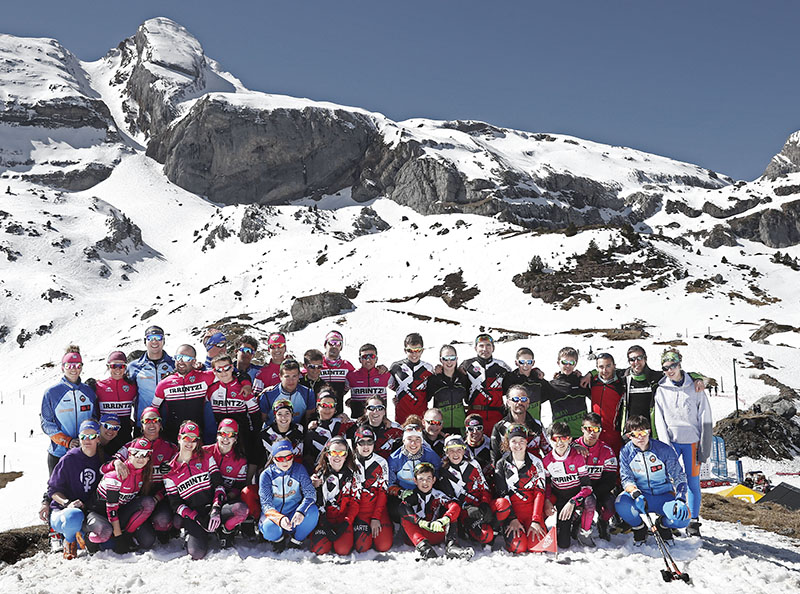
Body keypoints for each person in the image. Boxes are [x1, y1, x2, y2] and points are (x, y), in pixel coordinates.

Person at [654, 349, 712, 538]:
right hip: (672, 443)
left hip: (692, 443)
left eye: (673, 366)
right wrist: (665, 445)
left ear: (680, 364)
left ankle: (693, 522)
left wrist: (705, 446)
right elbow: (659, 420)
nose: (670, 370)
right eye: (665, 368)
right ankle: (670, 518)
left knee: (692, 482)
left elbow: (705, 416)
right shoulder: (662, 389)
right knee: (669, 482)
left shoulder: (695, 387)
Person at [105, 407, 178, 544]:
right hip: (137, 500)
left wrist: (172, 470)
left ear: (161, 424)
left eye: (156, 420)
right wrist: (116, 463)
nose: (151, 424)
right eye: (147, 421)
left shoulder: (171, 448)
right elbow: (105, 467)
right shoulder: (131, 446)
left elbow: (180, 477)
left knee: (162, 521)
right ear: (141, 425)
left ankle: (163, 530)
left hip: (160, 498)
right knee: (147, 542)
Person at [615, 415, 690, 546]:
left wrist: (681, 498)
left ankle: (663, 525)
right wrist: (635, 493)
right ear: (629, 436)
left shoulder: (663, 449)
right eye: (635, 434)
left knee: (683, 518)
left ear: (649, 431)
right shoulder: (626, 452)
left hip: (663, 495)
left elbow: (679, 476)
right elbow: (626, 477)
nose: (640, 437)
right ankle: (639, 529)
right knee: (621, 503)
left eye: (643, 432)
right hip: (641, 496)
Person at [163, 421, 228, 560]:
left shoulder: (206, 456)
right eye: (187, 438)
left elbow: (219, 485)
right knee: (196, 553)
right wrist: (197, 518)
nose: (190, 443)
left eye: (194, 439)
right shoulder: (169, 471)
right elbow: (176, 505)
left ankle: (225, 532)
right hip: (194, 515)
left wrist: (216, 508)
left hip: (213, 508)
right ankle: (192, 534)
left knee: (239, 509)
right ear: (179, 438)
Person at [619, 345, 705, 439]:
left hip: (652, 431)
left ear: (645, 358)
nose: (636, 362)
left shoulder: (656, 377)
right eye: (632, 359)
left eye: (639, 358)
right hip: (632, 432)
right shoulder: (623, 378)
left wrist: (697, 378)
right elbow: (604, 373)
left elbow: (679, 375)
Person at [47, 419, 103, 560]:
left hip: (88, 512)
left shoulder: (103, 460)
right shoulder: (69, 459)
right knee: (74, 515)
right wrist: (67, 503)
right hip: (63, 513)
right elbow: (53, 490)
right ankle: (69, 540)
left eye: (92, 436)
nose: (87, 440)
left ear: (98, 438)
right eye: (83, 436)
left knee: (107, 543)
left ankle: (81, 536)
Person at [91, 437, 156, 554]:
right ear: (129, 454)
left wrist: (125, 536)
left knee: (148, 540)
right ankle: (87, 535)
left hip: (119, 513)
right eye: (136, 453)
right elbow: (111, 509)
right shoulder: (116, 475)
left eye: (145, 454)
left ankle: (126, 534)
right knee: (104, 535)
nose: (140, 458)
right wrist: (119, 538)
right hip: (100, 513)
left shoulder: (144, 473)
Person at [41, 346, 98, 474]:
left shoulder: (88, 391)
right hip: (59, 453)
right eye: (69, 365)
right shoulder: (51, 393)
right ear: (63, 367)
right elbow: (47, 424)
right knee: (57, 492)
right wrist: (68, 442)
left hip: (85, 451)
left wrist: (89, 440)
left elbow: (95, 418)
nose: (74, 369)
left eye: (78, 365)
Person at [492, 424, 547, 554]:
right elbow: (502, 493)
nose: (518, 445)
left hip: (531, 512)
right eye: (514, 441)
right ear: (508, 443)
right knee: (519, 548)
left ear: (526, 441)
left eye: (521, 441)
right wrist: (512, 519)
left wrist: (536, 520)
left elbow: (540, 492)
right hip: (513, 513)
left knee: (538, 547)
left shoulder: (536, 462)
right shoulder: (501, 464)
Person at [258, 438, 319, 550]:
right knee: (269, 529)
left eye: (289, 457)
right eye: (280, 458)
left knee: (313, 511)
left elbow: (310, 494)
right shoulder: (266, 475)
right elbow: (266, 504)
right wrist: (279, 519)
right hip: (275, 516)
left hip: (294, 515)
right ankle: (278, 540)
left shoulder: (299, 469)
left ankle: (296, 540)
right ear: (273, 458)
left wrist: (301, 511)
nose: (285, 462)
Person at [542, 422, 596, 548]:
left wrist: (573, 501)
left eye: (564, 438)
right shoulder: (547, 461)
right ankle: (574, 518)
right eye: (555, 438)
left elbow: (587, 487)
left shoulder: (577, 457)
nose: (560, 442)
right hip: (561, 498)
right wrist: (547, 500)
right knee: (563, 544)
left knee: (590, 502)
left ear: (570, 439)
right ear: (550, 440)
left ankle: (584, 530)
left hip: (577, 495)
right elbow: (548, 485)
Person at [206, 354, 261, 478]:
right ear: (214, 372)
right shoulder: (211, 389)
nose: (223, 372)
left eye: (226, 368)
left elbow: (255, 413)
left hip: (242, 431)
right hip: (222, 432)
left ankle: (246, 482)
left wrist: (255, 433)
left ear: (232, 368)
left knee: (247, 454)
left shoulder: (242, 388)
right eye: (219, 369)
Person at [399, 463, 464, 560]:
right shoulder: (411, 495)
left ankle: (452, 546)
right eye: (421, 479)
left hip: (436, 532)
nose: (425, 482)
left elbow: (455, 506)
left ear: (433, 480)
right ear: (415, 481)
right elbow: (402, 508)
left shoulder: (438, 494)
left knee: (452, 514)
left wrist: (444, 519)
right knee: (405, 516)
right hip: (416, 537)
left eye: (428, 478)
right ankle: (424, 549)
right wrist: (420, 522)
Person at [150, 344, 214, 442]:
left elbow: (227, 373)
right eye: (178, 357)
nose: (180, 361)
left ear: (194, 361)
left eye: (185, 358)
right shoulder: (165, 383)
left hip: (198, 436)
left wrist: (245, 381)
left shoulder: (204, 377)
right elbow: (153, 409)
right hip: (172, 437)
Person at [437, 435, 494, 546]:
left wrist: (485, 503)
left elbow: (484, 487)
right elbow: (451, 499)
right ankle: (466, 530)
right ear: (446, 453)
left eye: (459, 450)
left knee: (502, 504)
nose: (455, 454)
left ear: (464, 451)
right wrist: (467, 508)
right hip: (466, 511)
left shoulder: (473, 464)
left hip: (480, 504)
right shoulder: (444, 472)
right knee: (486, 535)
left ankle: (496, 529)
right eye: (451, 451)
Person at [202, 419, 250, 547]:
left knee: (241, 510)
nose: (226, 438)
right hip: (202, 502)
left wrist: (225, 499)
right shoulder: (204, 452)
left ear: (235, 438)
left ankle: (226, 529)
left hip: (224, 502)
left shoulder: (240, 460)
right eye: (223, 434)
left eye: (230, 435)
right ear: (217, 435)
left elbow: (238, 487)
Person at [310, 436, 359, 555]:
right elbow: (317, 503)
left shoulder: (353, 475)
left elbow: (355, 502)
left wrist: (347, 523)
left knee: (343, 550)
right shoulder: (319, 475)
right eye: (334, 452)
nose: (337, 456)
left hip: (343, 521)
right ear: (327, 454)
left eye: (341, 452)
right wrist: (325, 525)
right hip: (325, 521)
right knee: (319, 550)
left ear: (346, 455)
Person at [387, 417, 442, 522]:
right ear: (403, 440)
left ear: (422, 441)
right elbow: (389, 483)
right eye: (410, 439)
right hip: (404, 492)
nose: (413, 444)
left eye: (417, 440)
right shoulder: (394, 459)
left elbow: (439, 476)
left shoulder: (430, 455)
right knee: (394, 510)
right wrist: (400, 492)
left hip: (425, 489)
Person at [575, 412, 618, 541]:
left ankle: (602, 522)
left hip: (598, 489)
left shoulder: (606, 450)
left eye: (596, 429)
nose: (592, 433)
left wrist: (594, 493)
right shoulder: (573, 447)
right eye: (589, 429)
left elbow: (610, 479)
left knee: (610, 506)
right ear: (582, 429)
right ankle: (576, 523)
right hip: (577, 490)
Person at [352, 426, 393, 552]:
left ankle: (389, 528)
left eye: (369, 442)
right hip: (359, 512)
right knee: (362, 547)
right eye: (361, 442)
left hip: (376, 509)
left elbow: (382, 492)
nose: (366, 446)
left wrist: (376, 517)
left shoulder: (381, 462)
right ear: (356, 444)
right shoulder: (349, 461)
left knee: (384, 546)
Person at [460, 333, 510, 434]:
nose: (485, 349)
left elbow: (514, 382)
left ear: (493, 348)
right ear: (475, 348)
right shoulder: (467, 365)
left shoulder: (502, 366)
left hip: (497, 415)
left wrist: (535, 371)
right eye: (481, 345)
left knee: (497, 447)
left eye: (488, 345)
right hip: (474, 414)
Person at [127, 325, 175, 430]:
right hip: (144, 423)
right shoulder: (134, 367)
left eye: (158, 338)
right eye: (150, 338)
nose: (154, 341)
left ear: (163, 341)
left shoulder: (173, 364)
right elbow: (123, 388)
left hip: (170, 422)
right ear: (145, 341)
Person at [490, 385, 551, 464]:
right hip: (511, 472)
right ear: (508, 402)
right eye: (515, 399)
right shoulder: (500, 427)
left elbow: (548, 451)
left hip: (535, 471)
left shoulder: (537, 425)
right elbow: (495, 458)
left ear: (528, 402)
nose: (519, 402)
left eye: (523, 399)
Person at [389, 333, 434, 424]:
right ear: (405, 350)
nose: (414, 354)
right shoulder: (396, 367)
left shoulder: (429, 368)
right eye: (410, 350)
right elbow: (390, 385)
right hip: (402, 417)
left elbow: (430, 392)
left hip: (422, 417)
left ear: (422, 350)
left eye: (418, 350)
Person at [501, 347, 556, 421]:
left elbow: (554, 390)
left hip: (534, 423)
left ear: (533, 363)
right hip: (514, 424)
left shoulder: (538, 379)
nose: (525, 365)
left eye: (529, 362)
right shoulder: (510, 379)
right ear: (516, 363)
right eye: (522, 362)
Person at [586, 353, 625, 455]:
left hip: (614, 432)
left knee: (615, 462)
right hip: (595, 431)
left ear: (614, 366)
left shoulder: (621, 383)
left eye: (608, 366)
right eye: (601, 367)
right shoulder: (592, 381)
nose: (605, 370)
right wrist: (590, 373)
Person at [93, 351, 137, 443]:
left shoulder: (132, 386)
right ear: (108, 367)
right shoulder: (99, 386)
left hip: (125, 435)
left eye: (121, 366)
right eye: (114, 366)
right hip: (106, 436)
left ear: (125, 367)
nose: (118, 369)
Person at [259, 359, 317, 427]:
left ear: (299, 376)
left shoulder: (308, 394)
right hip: (272, 432)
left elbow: (309, 420)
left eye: (294, 376)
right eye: (287, 376)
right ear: (280, 376)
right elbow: (262, 420)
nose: (291, 381)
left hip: (296, 431)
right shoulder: (268, 395)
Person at [426, 345, 469, 434]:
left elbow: (469, 400)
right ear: (441, 360)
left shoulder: (463, 377)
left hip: (460, 426)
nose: (449, 362)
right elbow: (425, 398)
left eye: (452, 358)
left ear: (457, 359)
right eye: (445, 358)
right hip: (440, 427)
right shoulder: (434, 379)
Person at [548, 347, 589, 438]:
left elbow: (604, 374)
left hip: (581, 435)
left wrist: (590, 374)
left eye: (571, 363)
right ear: (558, 363)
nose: (568, 366)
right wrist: (535, 371)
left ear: (576, 364)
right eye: (564, 362)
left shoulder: (581, 381)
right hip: (561, 436)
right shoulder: (551, 385)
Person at [304, 389, 350, 471]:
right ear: (318, 407)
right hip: (322, 474)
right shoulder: (312, 430)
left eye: (331, 405)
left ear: (335, 408)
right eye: (324, 405)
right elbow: (308, 460)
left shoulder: (343, 423)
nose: (327, 409)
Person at [345, 343, 391, 419]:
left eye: (372, 356)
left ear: (376, 359)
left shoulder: (385, 375)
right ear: (360, 359)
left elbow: (400, 390)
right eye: (364, 357)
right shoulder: (351, 376)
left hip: (380, 422)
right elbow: (340, 394)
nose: (368, 360)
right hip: (358, 422)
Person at [319, 331, 355, 413]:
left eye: (338, 343)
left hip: (338, 413)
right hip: (317, 413)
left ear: (341, 347)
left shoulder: (347, 366)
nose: (334, 346)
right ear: (325, 345)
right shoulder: (317, 364)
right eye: (331, 342)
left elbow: (359, 380)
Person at [464, 414, 492, 479]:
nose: (475, 432)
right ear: (466, 431)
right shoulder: (461, 445)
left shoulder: (491, 445)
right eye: (471, 429)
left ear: (483, 429)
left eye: (479, 428)